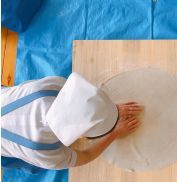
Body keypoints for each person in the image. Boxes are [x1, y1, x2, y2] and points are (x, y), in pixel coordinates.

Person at [1, 72, 142, 173]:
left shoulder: (51, 87)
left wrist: (108, 110)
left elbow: (84, 101)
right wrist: (114, 134)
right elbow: (86, 156)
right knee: (31, 166)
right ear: (81, 136)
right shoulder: (44, 152)